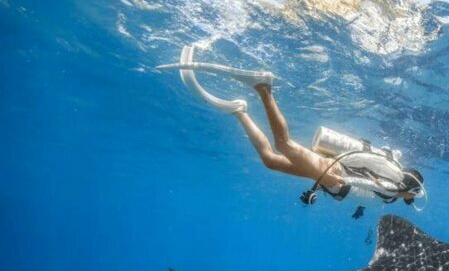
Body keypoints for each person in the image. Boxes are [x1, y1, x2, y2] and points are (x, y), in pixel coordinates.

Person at [158, 46, 426, 216]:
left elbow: (370, 190)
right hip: (333, 173)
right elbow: (367, 184)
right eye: (411, 195)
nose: (409, 199)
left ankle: (240, 111)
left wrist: (357, 207)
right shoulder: (395, 188)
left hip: (331, 180)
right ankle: (264, 88)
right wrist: (334, 183)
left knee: (271, 161)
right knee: (284, 145)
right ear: (411, 190)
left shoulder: (392, 193)